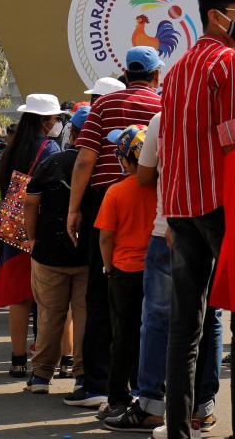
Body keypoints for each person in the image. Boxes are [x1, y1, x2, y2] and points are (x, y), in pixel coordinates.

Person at [160, 0, 235, 439]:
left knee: (186, 329)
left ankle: (179, 430)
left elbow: (168, 144)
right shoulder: (231, 62)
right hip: (223, 205)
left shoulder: (179, 67)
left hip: (183, 207)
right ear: (216, 16)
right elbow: (234, 138)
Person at [103, 110, 222, 434]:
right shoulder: (227, 113)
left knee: (157, 321)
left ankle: (152, 405)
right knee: (209, 319)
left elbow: (144, 176)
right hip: (216, 227)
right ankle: (202, 407)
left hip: (168, 228)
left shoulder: (164, 117)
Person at [67, 46, 165, 410]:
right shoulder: (162, 105)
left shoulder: (103, 105)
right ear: (155, 76)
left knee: (99, 295)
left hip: (104, 204)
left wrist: (74, 210)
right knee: (152, 302)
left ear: (126, 73)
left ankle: (97, 385)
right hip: (154, 204)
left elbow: (85, 159)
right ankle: (146, 386)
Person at [23, 108, 93, 394]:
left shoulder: (52, 162)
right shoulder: (104, 165)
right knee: (85, 314)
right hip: (89, 253)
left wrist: (31, 239)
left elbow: (30, 203)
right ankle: (84, 377)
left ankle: (41, 376)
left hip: (49, 251)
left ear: (72, 133)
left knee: (50, 314)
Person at [0, 94, 62, 376]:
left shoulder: (11, 149)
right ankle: (44, 359)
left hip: (12, 229)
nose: (57, 122)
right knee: (46, 298)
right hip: (40, 229)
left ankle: (18, 358)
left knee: (19, 298)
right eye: (55, 118)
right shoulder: (50, 148)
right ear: (45, 121)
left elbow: (2, 190)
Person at [96, 125, 156, 418]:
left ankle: (118, 398)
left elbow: (106, 237)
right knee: (153, 336)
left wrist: (108, 267)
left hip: (123, 271)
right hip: (156, 272)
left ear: (125, 159)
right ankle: (151, 395)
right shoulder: (161, 187)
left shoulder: (116, 192)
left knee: (123, 337)